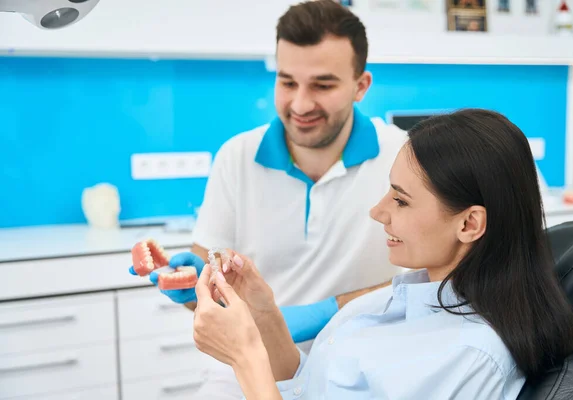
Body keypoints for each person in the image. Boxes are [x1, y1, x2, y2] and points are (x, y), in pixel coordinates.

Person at [191, 108, 573, 399]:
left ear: (469, 224)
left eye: (401, 200)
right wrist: (264, 314)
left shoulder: (468, 356)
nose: (378, 212)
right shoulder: (398, 299)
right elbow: (311, 387)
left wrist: (245, 358)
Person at [129, 0, 407, 397]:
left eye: (322, 85)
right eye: (288, 81)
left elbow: (449, 277)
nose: (300, 104)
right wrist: (198, 292)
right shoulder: (237, 157)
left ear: (361, 86)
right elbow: (212, 293)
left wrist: (331, 310)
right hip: (246, 360)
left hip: (363, 364)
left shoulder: (405, 158)